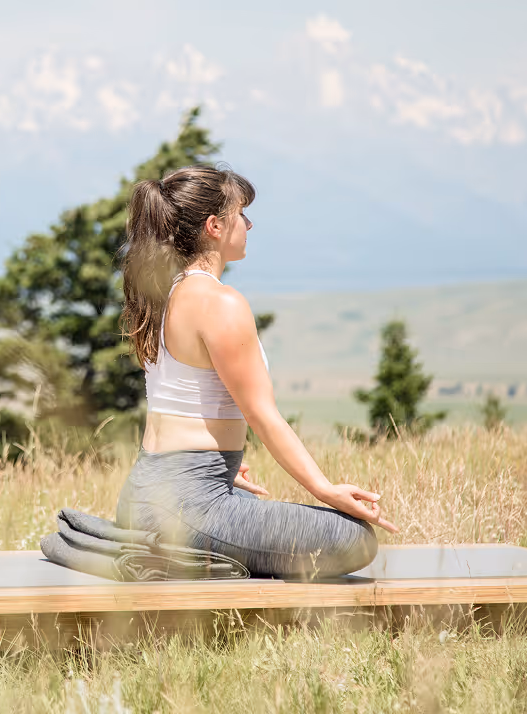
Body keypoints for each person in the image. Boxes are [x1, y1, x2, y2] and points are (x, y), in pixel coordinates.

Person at [116, 165, 397, 579]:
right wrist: (326, 490)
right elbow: (262, 415)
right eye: (241, 214)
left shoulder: (167, 294)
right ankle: (181, 560)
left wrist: (218, 465)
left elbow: (184, 403)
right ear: (215, 226)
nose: (249, 224)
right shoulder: (219, 303)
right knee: (354, 538)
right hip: (185, 505)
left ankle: (177, 553)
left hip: (145, 494)